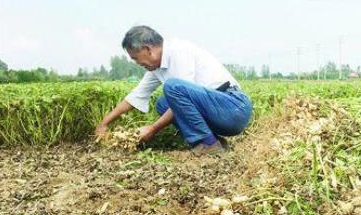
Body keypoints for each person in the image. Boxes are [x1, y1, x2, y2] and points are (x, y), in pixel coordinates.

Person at [95, 25, 253, 154]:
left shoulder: (178, 51)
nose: (136, 63)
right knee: (162, 103)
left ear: (148, 49)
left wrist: (152, 128)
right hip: (217, 112)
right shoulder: (156, 68)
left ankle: (208, 144)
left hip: (233, 108)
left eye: (135, 58)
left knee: (172, 88)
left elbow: (180, 94)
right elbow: (135, 97)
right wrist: (104, 123)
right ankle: (213, 142)